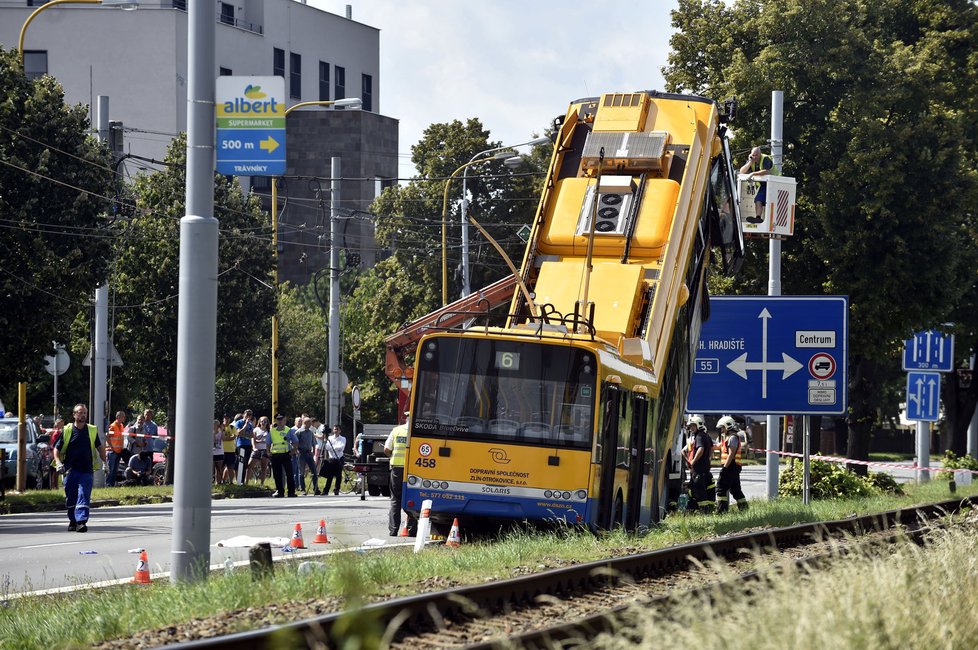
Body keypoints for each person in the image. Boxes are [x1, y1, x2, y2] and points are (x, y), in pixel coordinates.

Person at [52, 403, 106, 532]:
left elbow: (100, 448)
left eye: (84, 413)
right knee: (71, 496)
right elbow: (56, 449)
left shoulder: (92, 430)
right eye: (80, 412)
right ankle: (73, 520)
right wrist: (58, 463)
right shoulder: (67, 430)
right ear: (74, 414)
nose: (82, 415)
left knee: (84, 494)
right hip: (70, 470)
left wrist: (105, 462)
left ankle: (81, 522)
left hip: (87, 469)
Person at [384, 413, 416, 536]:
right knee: (412, 499)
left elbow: (387, 449)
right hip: (413, 471)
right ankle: (412, 530)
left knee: (395, 500)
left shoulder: (396, 431)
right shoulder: (417, 432)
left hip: (397, 469)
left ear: (406, 419)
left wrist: (391, 456)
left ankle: (393, 530)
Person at [715, 416, 748, 513]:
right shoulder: (729, 438)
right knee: (735, 489)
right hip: (733, 466)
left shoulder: (732, 438)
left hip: (730, 466)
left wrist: (725, 468)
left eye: (723, 427)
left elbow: (731, 454)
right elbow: (717, 446)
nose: (722, 430)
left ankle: (722, 511)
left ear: (728, 426)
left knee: (721, 487)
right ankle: (744, 510)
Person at [739, 146, 779, 224]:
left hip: (775, 184)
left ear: (760, 154)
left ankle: (769, 219)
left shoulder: (765, 159)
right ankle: (758, 218)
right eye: (753, 155)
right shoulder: (752, 161)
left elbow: (765, 171)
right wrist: (750, 162)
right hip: (765, 185)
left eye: (756, 155)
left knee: (770, 202)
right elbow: (742, 171)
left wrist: (753, 173)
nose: (754, 157)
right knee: (758, 200)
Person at [685, 414, 716, 513]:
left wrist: (693, 461)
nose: (691, 428)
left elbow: (701, 449)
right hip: (705, 468)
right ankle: (694, 509)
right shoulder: (706, 436)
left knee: (698, 490)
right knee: (699, 489)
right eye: (690, 426)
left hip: (698, 469)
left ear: (698, 425)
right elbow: (711, 449)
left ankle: (703, 511)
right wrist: (708, 459)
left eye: (693, 426)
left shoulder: (699, 436)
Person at [268, 414, 297, 497]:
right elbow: (268, 442)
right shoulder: (272, 431)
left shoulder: (289, 430)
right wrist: (268, 451)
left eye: (281, 420)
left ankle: (291, 492)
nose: (280, 421)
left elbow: (295, 441)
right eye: (278, 420)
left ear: (284, 420)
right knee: (277, 474)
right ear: (276, 421)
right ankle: (279, 491)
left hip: (286, 454)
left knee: (289, 473)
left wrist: (293, 451)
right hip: (275, 454)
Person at [294, 416, 320, 495]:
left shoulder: (310, 432)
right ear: (305, 423)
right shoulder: (299, 432)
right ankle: (302, 489)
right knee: (301, 472)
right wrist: (296, 451)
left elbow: (314, 443)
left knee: (314, 471)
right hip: (301, 453)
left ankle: (316, 488)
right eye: (309, 423)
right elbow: (294, 442)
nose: (311, 424)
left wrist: (313, 451)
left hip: (309, 453)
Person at [319, 424, 347, 495]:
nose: (336, 431)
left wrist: (333, 448)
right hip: (331, 458)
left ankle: (337, 489)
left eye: (337, 429)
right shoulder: (330, 438)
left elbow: (341, 447)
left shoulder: (343, 438)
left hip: (339, 458)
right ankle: (326, 490)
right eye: (335, 429)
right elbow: (327, 447)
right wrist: (335, 448)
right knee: (330, 475)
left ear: (340, 431)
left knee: (338, 475)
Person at [105, 411, 127, 487]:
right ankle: (107, 484)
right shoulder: (113, 426)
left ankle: (111, 484)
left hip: (118, 451)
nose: (124, 418)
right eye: (123, 416)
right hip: (112, 452)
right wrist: (111, 447)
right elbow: (107, 437)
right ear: (118, 417)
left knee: (115, 470)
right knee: (110, 470)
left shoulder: (121, 426)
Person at [247, 416, 271, 484]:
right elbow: (253, 439)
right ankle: (246, 482)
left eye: (265, 421)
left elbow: (270, 441)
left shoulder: (269, 431)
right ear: (259, 422)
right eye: (262, 421)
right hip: (257, 450)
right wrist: (254, 447)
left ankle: (262, 483)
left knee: (264, 468)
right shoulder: (256, 429)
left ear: (267, 423)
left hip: (265, 450)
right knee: (249, 466)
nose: (263, 422)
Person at [234, 410, 255, 483]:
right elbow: (239, 433)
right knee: (241, 463)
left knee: (245, 464)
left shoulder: (250, 424)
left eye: (250, 414)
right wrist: (245, 425)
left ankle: (242, 481)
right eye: (247, 414)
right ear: (243, 414)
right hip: (241, 444)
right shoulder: (239, 422)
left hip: (248, 445)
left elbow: (252, 435)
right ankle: (239, 482)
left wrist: (244, 435)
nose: (249, 416)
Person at [221, 415, 237, 484]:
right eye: (225, 418)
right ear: (223, 419)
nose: (226, 420)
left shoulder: (232, 427)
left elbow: (233, 437)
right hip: (221, 450)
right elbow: (222, 438)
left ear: (229, 419)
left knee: (230, 467)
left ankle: (231, 482)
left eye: (227, 418)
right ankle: (220, 481)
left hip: (231, 450)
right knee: (220, 467)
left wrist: (226, 438)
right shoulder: (221, 427)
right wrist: (228, 438)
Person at [212, 420, 225, 484]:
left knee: (219, 468)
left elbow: (223, 439)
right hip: (212, 453)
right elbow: (213, 440)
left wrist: (222, 430)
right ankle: (212, 481)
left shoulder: (221, 432)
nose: (217, 426)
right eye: (215, 425)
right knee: (212, 468)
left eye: (218, 424)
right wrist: (214, 432)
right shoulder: (211, 432)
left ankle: (218, 482)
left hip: (220, 452)